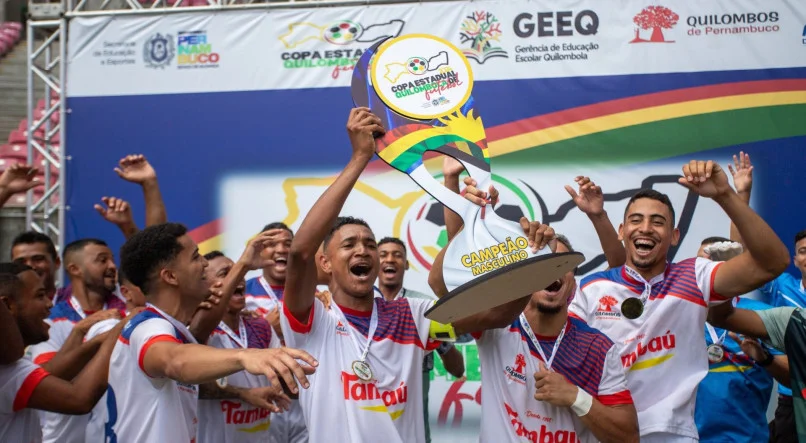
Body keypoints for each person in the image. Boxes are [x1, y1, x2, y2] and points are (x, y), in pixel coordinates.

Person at [280, 108, 535, 443]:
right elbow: (299, 253)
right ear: (325, 263)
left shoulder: (412, 315)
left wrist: (534, 266)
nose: (363, 251)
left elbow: (495, 313)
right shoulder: (313, 318)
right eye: (350, 245)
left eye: (370, 244)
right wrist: (360, 158)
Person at [568, 160, 790, 442]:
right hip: (602, 433)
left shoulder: (694, 276)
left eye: (657, 222)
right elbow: (565, 352)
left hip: (673, 435)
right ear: (621, 231)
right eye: (636, 220)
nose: (646, 228)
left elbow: (773, 263)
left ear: (674, 237)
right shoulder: (591, 287)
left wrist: (725, 195)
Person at [103, 222, 317, 442]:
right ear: (170, 277)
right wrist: (245, 355)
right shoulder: (149, 327)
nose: (205, 264)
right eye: (196, 257)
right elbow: (175, 360)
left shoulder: (174, 329)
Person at [0, 262, 128, 443]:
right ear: (7, 306)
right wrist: (119, 331)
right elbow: (79, 398)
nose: (49, 304)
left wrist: (83, 334)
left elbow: (50, 374)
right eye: (40, 296)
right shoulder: (8, 371)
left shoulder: (13, 369)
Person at [725, 151, 803, 443]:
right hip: (791, 397)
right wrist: (741, 196)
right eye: (804, 251)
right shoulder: (782, 287)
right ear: (795, 259)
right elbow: (737, 258)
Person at [693, 236, 789, 442]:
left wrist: (765, 359)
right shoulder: (679, 313)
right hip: (688, 438)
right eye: (702, 263)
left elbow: (793, 378)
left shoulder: (760, 315)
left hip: (747, 437)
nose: (709, 270)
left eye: (717, 264)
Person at [376, 236, 465, 443]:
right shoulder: (362, 305)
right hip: (369, 419)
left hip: (413, 428)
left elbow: (458, 370)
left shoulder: (423, 306)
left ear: (406, 264)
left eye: (397, 255)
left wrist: (437, 340)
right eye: (383, 255)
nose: (390, 259)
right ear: (373, 261)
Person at [197, 251, 291, 443]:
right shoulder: (200, 332)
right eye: (226, 273)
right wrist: (243, 394)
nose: (238, 277)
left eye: (239, 272)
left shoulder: (260, 326)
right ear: (206, 286)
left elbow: (279, 376)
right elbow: (194, 385)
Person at [243, 222, 308, 443]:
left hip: (303, 399)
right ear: (260, 251)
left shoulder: (312, 294)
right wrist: (266, 326)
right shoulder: (242, 293)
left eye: (288, 244)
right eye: (272, 244)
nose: (281, 249)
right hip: (262, 400)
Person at [11, 231, 63, 302]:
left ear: (57, 262)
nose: (30, 266)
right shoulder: (5, 308)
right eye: (21, 262)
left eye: (38, 259)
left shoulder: (74, 304)